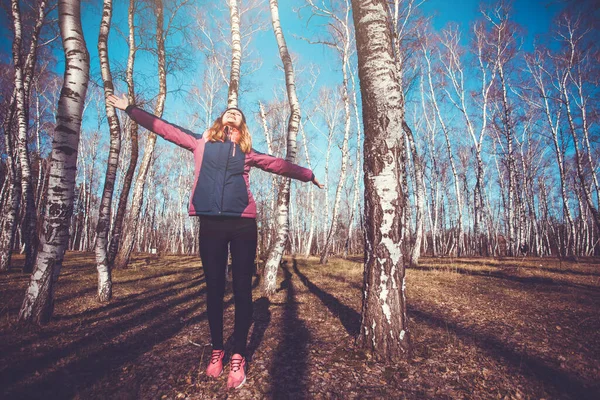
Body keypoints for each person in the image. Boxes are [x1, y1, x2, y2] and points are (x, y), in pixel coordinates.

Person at [107, 94, 323, 390]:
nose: (232, 113)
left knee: (243, 290)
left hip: (243, 223)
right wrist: (130, 109)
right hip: (210, 224)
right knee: (214, 289)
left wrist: (308, 175)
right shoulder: (200, 142)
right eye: (228, 111)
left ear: (241, 124)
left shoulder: (247, 152)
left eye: (237, 112)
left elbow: (278, 165)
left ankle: (238, 356)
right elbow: (163, 127)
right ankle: (218, 349)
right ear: (221, 119)